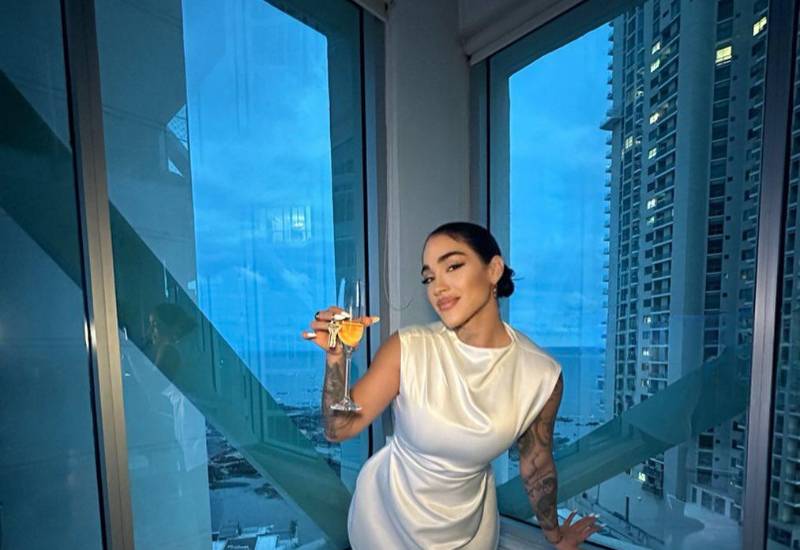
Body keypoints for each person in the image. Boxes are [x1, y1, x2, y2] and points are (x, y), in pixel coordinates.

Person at [301, 222, 600, 549]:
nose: (438, 287)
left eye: (453, 266)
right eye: (429, 278)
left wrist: (556, 537)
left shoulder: (541, 375)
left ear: (494, 270)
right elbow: (338, 429)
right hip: (385, 523)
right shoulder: (408, 348)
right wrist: (336, 358)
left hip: (469, 532)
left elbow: (537, 464)